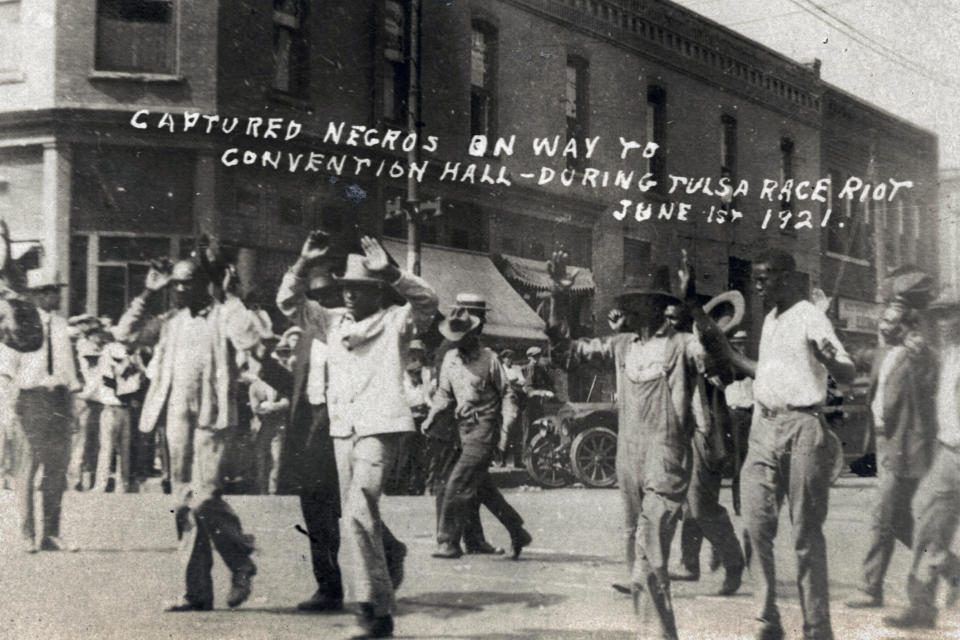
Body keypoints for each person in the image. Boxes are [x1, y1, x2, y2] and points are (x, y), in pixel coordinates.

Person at [553, 255, 729, 640]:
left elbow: (719, 362)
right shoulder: (621, 346)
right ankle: (655, 631)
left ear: (654, 308)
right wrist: (560, 298)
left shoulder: (684, 345)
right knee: (638, 549)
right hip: (628, 459)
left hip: (666, 458)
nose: (626, 310)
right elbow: (571, 353)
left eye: (635, 304)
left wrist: (695, 304)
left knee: (649, 554)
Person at [277, 233, 437, 639]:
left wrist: (396, 274)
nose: (349, 296)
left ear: (377, 291)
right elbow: (288, 304)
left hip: (381, 429)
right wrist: (302, 263)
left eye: (360, 289)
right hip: (342, 430)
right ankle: (382, 582)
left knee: (359, 511)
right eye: (345, 288)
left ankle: (376, 612)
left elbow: (428, 303)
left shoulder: (395, 321)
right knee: (355, 516)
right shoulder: (331, 323)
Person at [114, 254, 264, 612]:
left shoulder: (224, 315)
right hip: (176, 420)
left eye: (187, 283)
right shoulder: (170, 321)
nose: (180, 289)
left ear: (205, 285)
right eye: (176, 283)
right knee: (184, 505)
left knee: (204, 498)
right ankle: (196, 593)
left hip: (214, 420)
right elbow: (125, 335)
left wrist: (231, 299)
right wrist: (148, 294)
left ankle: (241, 558)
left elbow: (251, 340)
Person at [728, 248, 856, 640]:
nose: (759, 283)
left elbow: (846, 370)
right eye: (756, 277)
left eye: (766, 277)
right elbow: (767, 373)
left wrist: (828, 359)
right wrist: (727, 352)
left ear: (786, 277)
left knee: (805, 534)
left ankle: (817, 628)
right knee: (754, 524)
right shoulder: (769, 320)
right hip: (764, 427)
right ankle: (766, 621)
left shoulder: (809, 317)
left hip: (803, 426)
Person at [423, 303, 532, 561]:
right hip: (463, 430)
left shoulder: (489, 359)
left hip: (485, 430)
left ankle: (447, 542)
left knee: (457, 482)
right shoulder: (450, 359)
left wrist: (505, 431)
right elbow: (443, 394)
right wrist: (430, 417)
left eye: (462, 338)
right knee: (484, 491)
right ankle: (517, 530)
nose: (457, 343)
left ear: (473, 334)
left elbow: (507, 394)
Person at [844, 303, 936, 609]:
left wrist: (920, 351)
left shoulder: (917, 355)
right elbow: (858, 355)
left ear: (909, 327)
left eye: (893, 323)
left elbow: (929, 373)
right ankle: (948, 566)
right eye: (883, 320)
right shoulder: (883, 354)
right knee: (899, 521)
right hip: (884, 443)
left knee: (882, 515)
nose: (884, 326)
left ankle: (870, 588)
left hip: (906, 446)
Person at [883, 294, 960, 630]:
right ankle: (922, 606)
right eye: (939, 316)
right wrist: (917, 361)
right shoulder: (948, 355)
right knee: (928, 525)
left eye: (950, 316)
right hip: (949, 453)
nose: (942, 323)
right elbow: (929, 394)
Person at [1, 269, 81, 553]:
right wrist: (8, 409)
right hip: (30, 400)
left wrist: (73, 403)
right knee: (27, 468)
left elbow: (67, 367)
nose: (57, 296)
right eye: (52, 291)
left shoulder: (60, 325)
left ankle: (51, 534)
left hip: (57, 400)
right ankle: (27, 534)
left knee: (56, 471)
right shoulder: (20, 322)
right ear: (39, 294)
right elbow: (6, 369)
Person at [92, 337, 144, 493]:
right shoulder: (117, 357)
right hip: (115, 408)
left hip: (118, 408)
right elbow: (111, 377)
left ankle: (115, 484)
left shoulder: (120, 357)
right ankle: (114, 484)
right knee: (116, 449)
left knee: (115, 449)